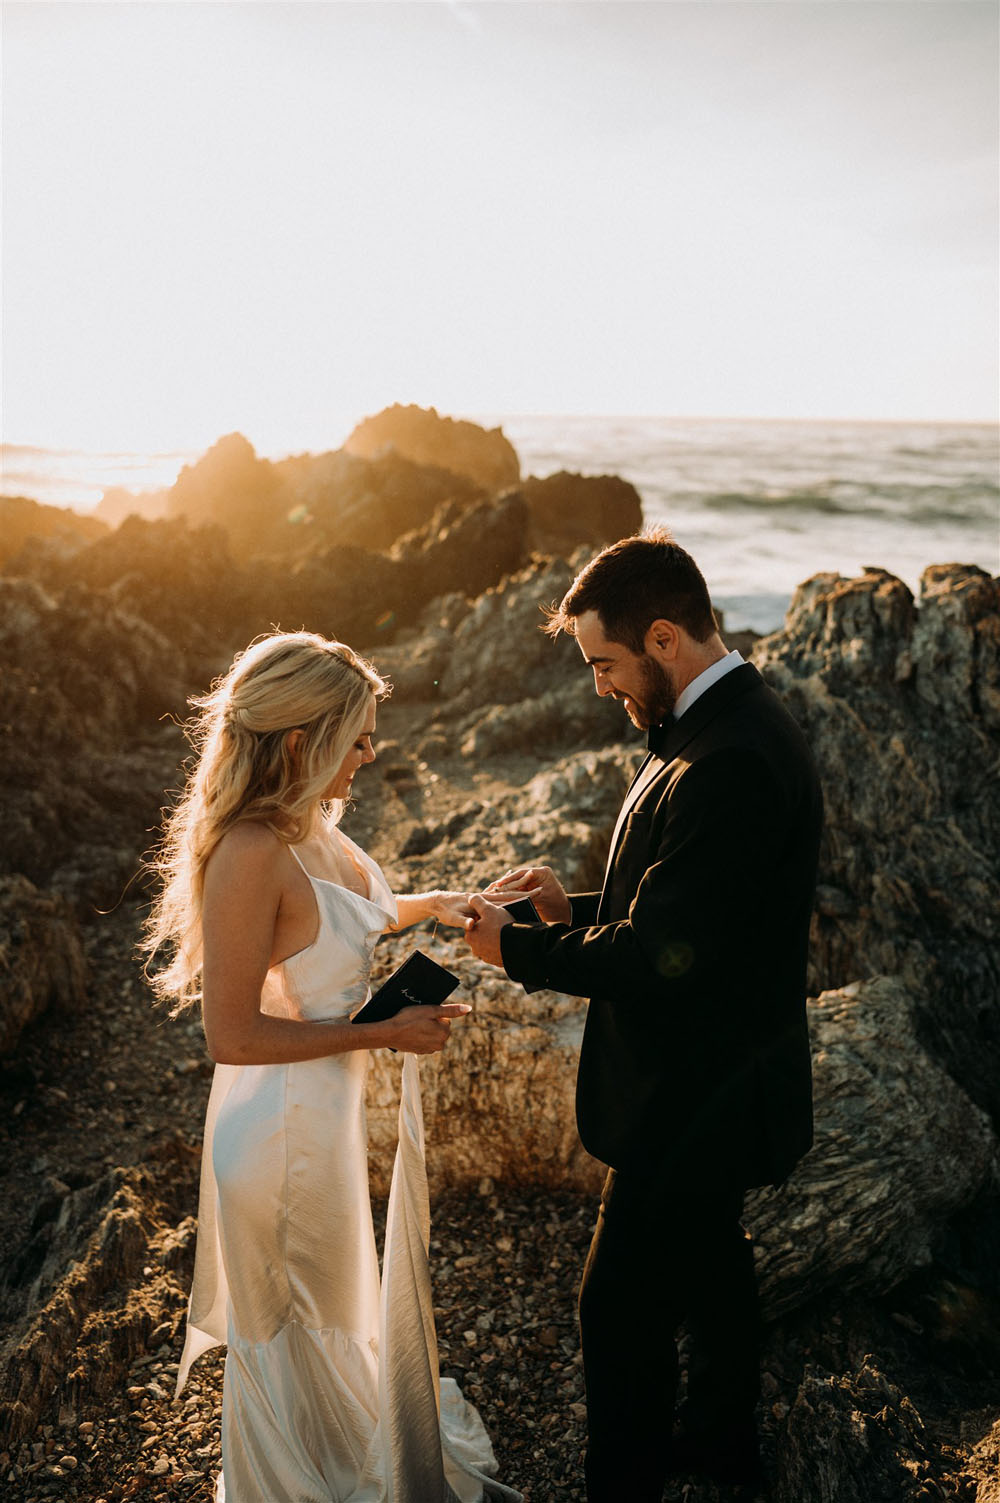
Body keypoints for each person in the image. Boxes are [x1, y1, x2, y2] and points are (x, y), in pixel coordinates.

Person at [465, 528, 822, 1502]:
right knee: (711, 1272)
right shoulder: (718, 731)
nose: (598, 687)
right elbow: (682, 908)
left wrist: (517, 952)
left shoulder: (734, 757)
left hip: (697, 1099)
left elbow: (666, 958)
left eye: (605, 664)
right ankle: (720, 1447)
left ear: (664, 639)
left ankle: (627, 1484)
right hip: (706, 1083)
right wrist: (565, 911)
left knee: (615, 1312)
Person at [142, 631, 521, 1503]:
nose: (371, 753)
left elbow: (352, 917)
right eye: (357, 737)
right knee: (295, 1324)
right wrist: (381, 1034)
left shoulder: (312, 828)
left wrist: (436, 904)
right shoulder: (248, 853)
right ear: (302, 740)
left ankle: (344, 1463)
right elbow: (231, 1036)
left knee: (333, 1312)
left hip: (321, 1123)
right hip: (274, 1132)